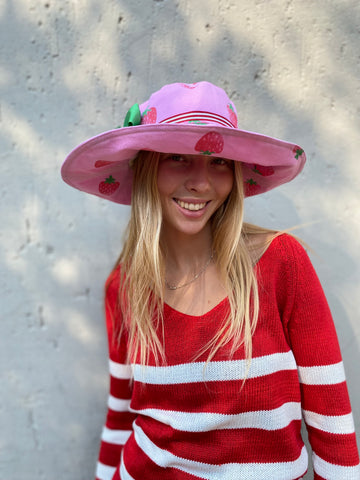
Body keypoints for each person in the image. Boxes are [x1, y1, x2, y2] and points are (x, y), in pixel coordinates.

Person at [61, 81, 360, 480]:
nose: (201, 182)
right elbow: (120, 413)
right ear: (146, 168)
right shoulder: (125, 285)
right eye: (177, 159)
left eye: (218, 162)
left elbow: (331, 422)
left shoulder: (280, 262)